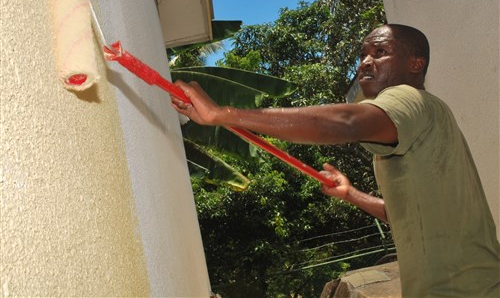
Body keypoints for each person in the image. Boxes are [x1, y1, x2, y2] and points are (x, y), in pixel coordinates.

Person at [171, 24, 499, 297]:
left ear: (416, 64)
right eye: (362, 56)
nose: (366, 62)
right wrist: (350, 193)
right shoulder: (416, 124)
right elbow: (400, 216)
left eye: (379, 53)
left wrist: (224, 114)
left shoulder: (409, 99)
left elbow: (346, 122)